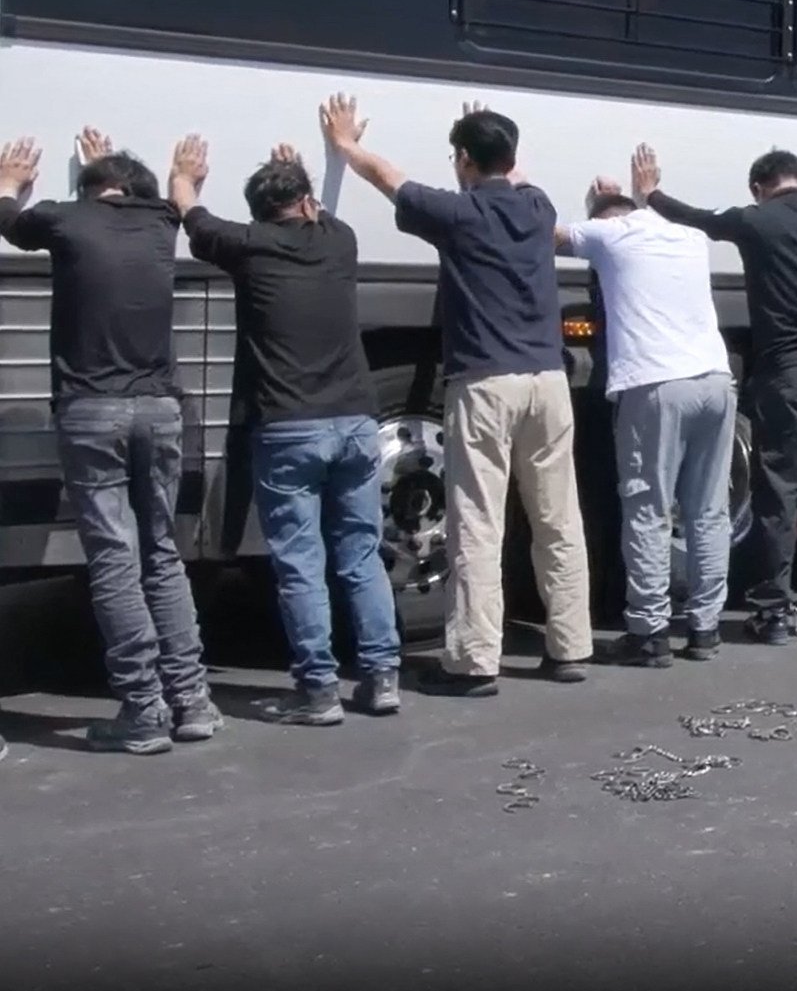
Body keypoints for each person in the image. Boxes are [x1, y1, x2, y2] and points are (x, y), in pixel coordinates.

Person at [325, 95, 592, 694]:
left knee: (477, 521)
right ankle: (570, 647)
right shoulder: (537, 205)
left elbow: (390, 180)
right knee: (557, 517)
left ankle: (474, 661)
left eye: (457, 155)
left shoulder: (458, 214)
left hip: (486, 381)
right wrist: (488, 132)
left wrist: (346, 146)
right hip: (548, 382)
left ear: (466, 160)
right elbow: (513, 173)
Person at [0, 129, 218, 753]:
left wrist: (10, 179)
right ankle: (193, 701)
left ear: (88, 192)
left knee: (115, 561)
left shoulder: (66, 221)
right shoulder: (160, 224)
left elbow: (8, 216)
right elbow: (159, 195)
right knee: (162, 554)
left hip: (93, 411)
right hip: (160, 409)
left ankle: (143, 711)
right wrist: (164, 172)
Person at [169, 135, 400, 724]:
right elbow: (319, 210)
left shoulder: (247, 245)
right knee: (360, 554)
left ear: (259, 212)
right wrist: (296, 164)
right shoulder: (339, 241)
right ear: (306, 203)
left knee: (301, 562)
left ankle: (319, 691)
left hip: (290, 428)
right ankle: (381, 677)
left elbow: (192, 218)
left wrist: (184, 177)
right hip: (355, 422)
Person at [641, 146, 797, 643]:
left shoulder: (755, 221)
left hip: (786, 375)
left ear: (758, 186)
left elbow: (695, 219)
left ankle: (773, 612)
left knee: (780, 494)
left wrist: (650, 193)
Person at [556, 150, 735, 668]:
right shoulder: (686, 236)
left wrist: (591, 211)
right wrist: (642, 194)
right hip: (716, 380)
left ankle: (650, 630)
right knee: (708, 511)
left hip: (655, 386)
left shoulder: (608, 235)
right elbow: (647, 221)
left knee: (648, 508)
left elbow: (546, 236)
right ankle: (705, 627)